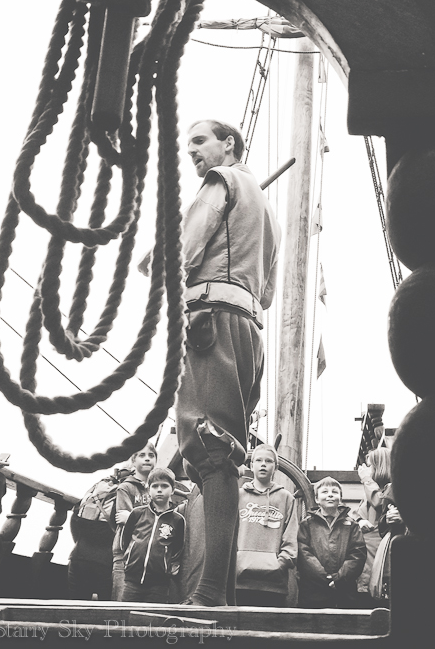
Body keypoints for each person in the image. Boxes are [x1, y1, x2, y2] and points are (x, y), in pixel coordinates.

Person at [174, 120, 281, 607]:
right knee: (223, 453)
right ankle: (224, 593)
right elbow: (268, 292)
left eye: (199, 140)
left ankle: (211, 592)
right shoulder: (268, 213)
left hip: (209, 321)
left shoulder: (223, 180)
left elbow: (185, 250)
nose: (191, 150)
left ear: (228, 144)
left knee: (210, 450)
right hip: (247, 330)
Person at [236, 443, 298, 607]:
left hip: (274, 585)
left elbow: (291, 537)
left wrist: (280, 564)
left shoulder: (286, 498)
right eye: (259, 460)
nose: (263, 464)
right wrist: (235, 562)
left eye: (268, 461)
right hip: (239, 582)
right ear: (251, 465)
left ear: (275, 467)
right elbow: (228, 535)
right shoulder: (238, 496)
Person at [297, 476, 366, 609]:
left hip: (344, 591)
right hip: (313, 591)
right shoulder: (306, 525)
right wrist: (324, 577)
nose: (330, 495)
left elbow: (357, 554)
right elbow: (304, 553)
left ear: (340, 498)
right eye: (325, 492)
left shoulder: (352, 525)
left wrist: (339, 579)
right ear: (317, 499)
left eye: (334, 492)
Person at [120, 468, 185, 603]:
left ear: (173, 490)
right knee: (126, 614)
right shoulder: (137, 513)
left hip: (159, 585)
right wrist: (129, 560)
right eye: (155, 486)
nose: (159, 490)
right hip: (132, 581)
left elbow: (178, 548)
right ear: (148, 489)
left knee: (153, 615)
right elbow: (125, 540)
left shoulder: (178, 520)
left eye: (164, 486)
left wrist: (168, 567)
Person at [111, 444, 157, 600]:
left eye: (151, 455)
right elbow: (124, 521)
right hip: (125, 553)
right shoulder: (125, 488)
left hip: (151, 554)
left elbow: (164, 521)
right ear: (133, 460)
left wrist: (132, 517)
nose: (147, 459)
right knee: (122, 600)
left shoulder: (159, 490)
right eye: (142, 455)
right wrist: (151, 521)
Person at [350, 447, 391, 607]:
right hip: (365, 563)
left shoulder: (390, 488)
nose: (366, 469)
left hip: (380, 564)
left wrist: (367, 479)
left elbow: (381, 502)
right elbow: (356, 514)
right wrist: (359, 520)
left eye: (370, 465)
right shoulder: (369, 491)